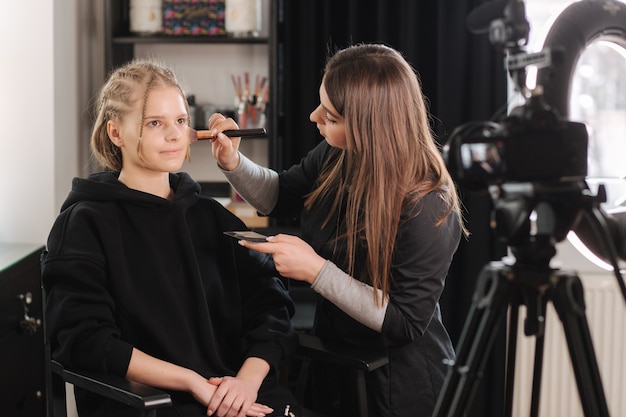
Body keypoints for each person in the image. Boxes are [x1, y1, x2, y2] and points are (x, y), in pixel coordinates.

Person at [208, 43, 467, 417]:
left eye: (329, 116)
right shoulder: (339, 155)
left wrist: (315, 270)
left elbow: (404, 322)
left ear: (368, 125)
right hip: (334, 362)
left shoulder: (427, 203)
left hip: (398, 387)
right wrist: (232, 161)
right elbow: (279, 196)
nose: (314, 117)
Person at [42, 59, 300, 417]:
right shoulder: (85, 224)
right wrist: (193, 382)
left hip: (240, 396)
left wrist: (245, 383)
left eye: (180, 120)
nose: (175, 134)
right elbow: (86, 339)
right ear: (116, 133)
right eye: (154, 123)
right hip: (149, 405)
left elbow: (270, 306)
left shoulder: (211, 216)